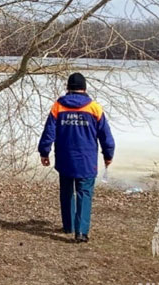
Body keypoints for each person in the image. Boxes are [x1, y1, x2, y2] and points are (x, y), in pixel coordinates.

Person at [38, 72, 115, 243]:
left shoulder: (58, 106)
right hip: (87, 160)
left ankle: (68, 226)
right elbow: (106, 136)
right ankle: (81, 232)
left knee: (66, 192)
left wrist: (44, 152)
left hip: (65, 158)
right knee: (84, 193)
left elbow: (49, 132)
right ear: (84, 88)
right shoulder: (94, 107)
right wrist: (108, 155)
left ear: (68, 88)